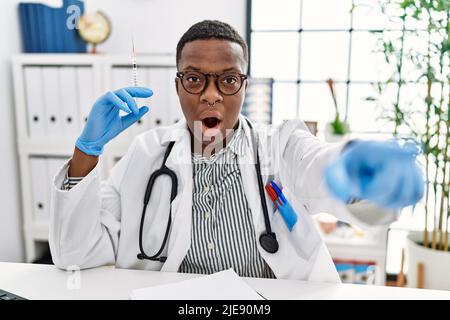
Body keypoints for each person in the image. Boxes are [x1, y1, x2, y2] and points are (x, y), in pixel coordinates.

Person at [49, 20, 423, 282]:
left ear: (244, 86)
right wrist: (87, 151)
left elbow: (319, 166)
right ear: (177, 86)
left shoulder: (282, 144)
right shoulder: (147, 154)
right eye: (194, 79)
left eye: (228, 80)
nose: (211, 95)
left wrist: (361, 172)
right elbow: (75, 255)